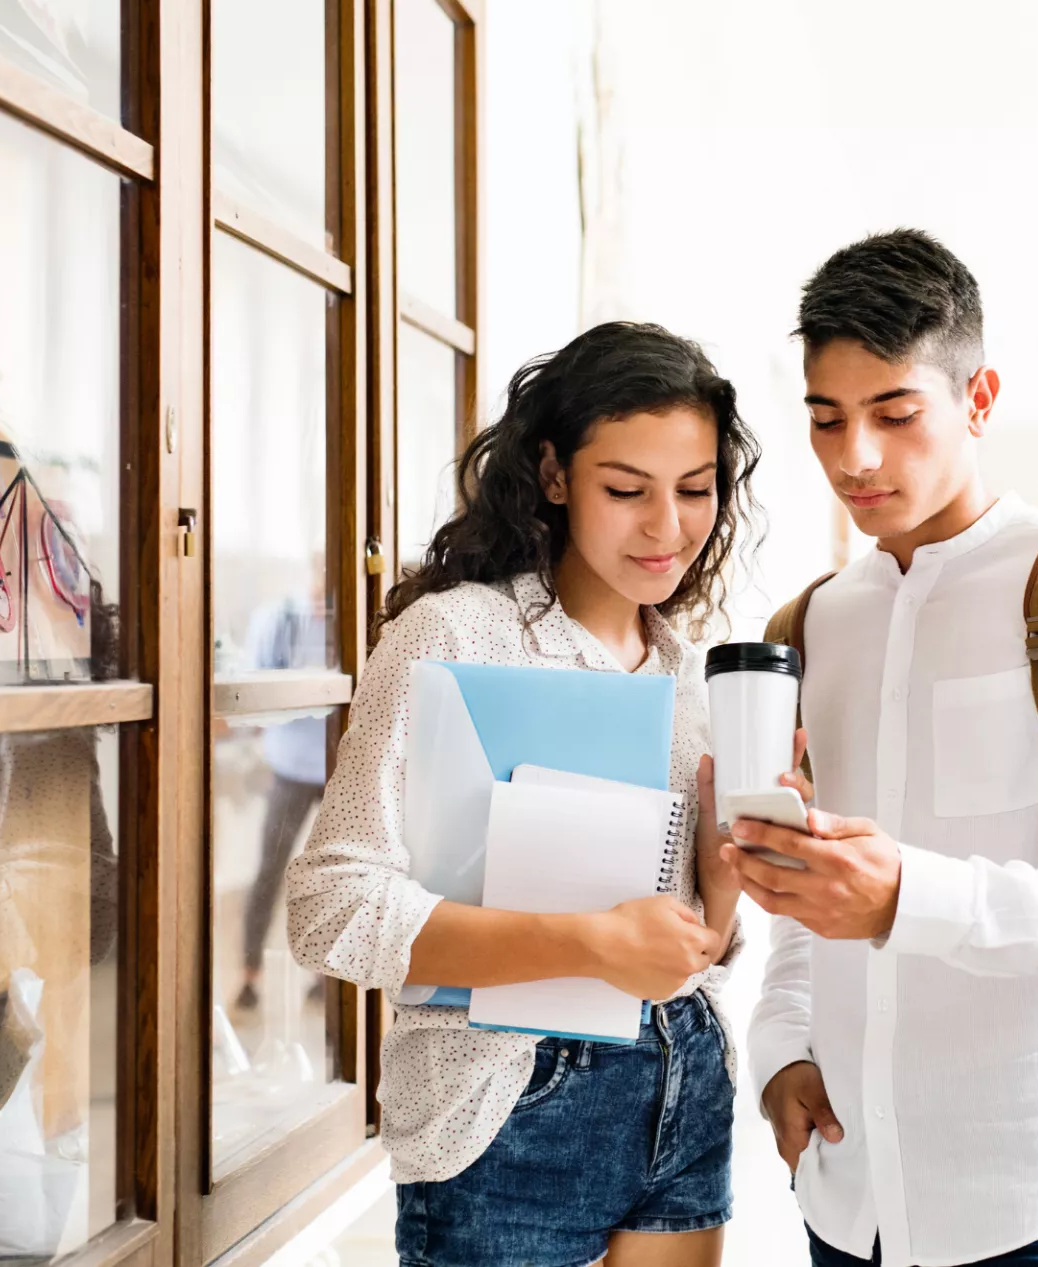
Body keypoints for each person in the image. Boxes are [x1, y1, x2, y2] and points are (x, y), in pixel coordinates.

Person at [723, 230, 1038, 1267]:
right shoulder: (809, 625)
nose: (855, 457)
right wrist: (782, 1050)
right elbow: (811, 898)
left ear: (978, 398)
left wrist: (910, 895)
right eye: (827, 419)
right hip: (848, 1196)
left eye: (896, 414)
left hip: (1036, 1193)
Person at [286, 323, 760, 1267]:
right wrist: (588, 945)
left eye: (696, 490)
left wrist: (730, 874)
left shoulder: (694, 674)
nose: (667, 527)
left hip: (684, 1074)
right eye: (626, 490)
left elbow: (698, 946)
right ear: (553, 475)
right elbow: (329, 904)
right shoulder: (454, 636)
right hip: (508, 1106)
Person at [235, 564, 331, 1012]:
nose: (324, 585)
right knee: (269, 869)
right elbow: (256, 684)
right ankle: (249, 974)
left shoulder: (349, 616)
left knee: (334, 876)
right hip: (290, 764)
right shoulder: (281, 618)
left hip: (337, 768)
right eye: (321, 572)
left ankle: (326, 978)